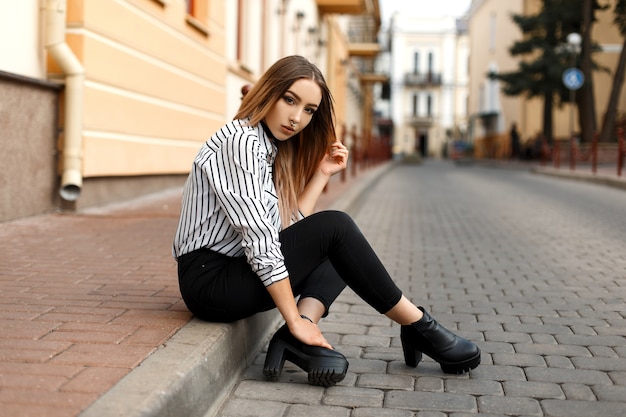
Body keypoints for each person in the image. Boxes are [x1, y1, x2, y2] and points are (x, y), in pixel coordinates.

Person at [172, 55, 480, 388]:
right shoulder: (241, 143)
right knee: (337, 227)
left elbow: (283, 231)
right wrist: (292, 318)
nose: (296, 118)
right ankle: (419, 326)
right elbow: (261, 241)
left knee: (338, 250)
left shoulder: (264, 145)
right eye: (290, 100)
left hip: (230, 272)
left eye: (308, 110)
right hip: (211, 283)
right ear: (268, 92)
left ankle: (298, 338)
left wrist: (321, 174)